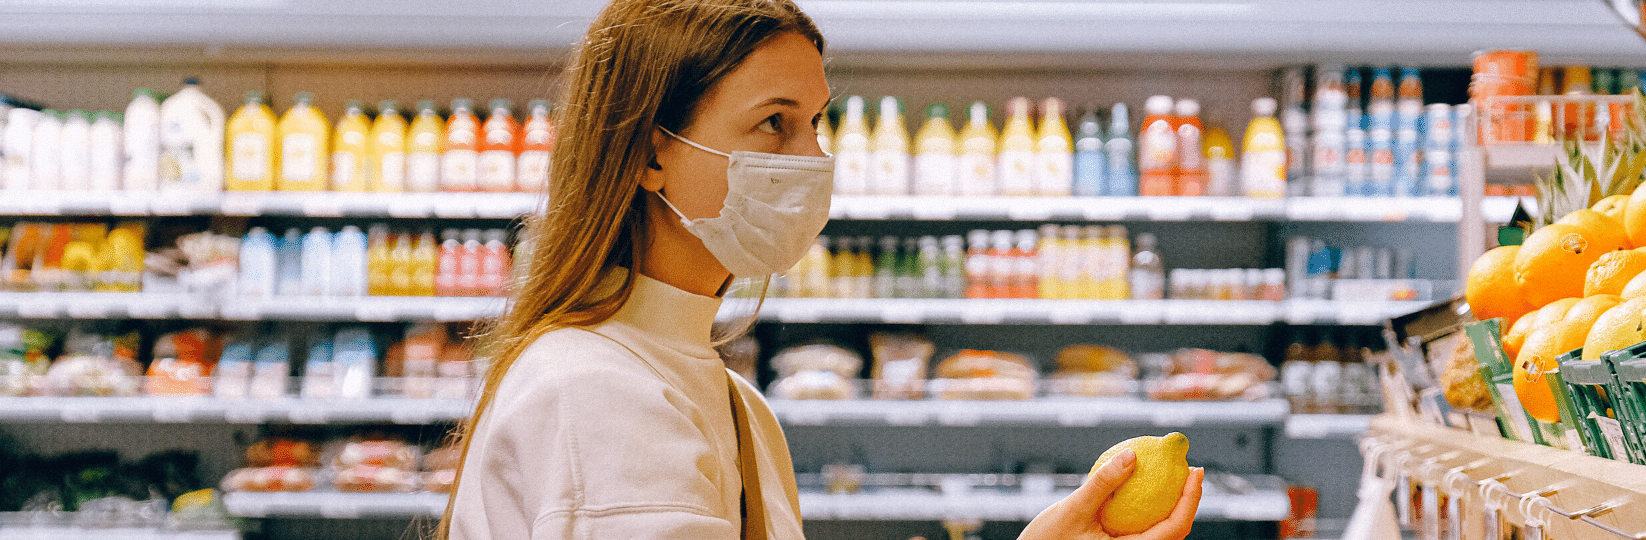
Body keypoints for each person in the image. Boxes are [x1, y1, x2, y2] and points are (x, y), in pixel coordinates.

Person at [442, 1, 1205, 539]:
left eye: (817, 122)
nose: (813, 159)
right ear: (649, 151)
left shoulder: (730, 401)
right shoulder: (599, 394)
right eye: (774, 122)